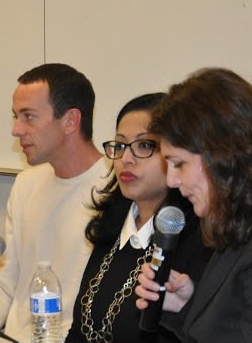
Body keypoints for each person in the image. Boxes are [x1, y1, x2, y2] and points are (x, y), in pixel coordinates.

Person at [135, 68, 252, 342]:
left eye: (179, 163)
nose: (171, 180)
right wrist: (189, 307)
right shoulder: (246, 216)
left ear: (223, 154)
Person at [0, 63, 110, 341]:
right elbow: (3, 281)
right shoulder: (26, 183)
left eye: (28, 117)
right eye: (15, 117)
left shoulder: (115, 189)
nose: (16, 130)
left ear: (71, 120)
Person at [65, 93, 209, 343]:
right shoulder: (110, 228)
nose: (125, 159)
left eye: (144, 145)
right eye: (120, 146)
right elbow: (79, 330)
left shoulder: (199, 242)